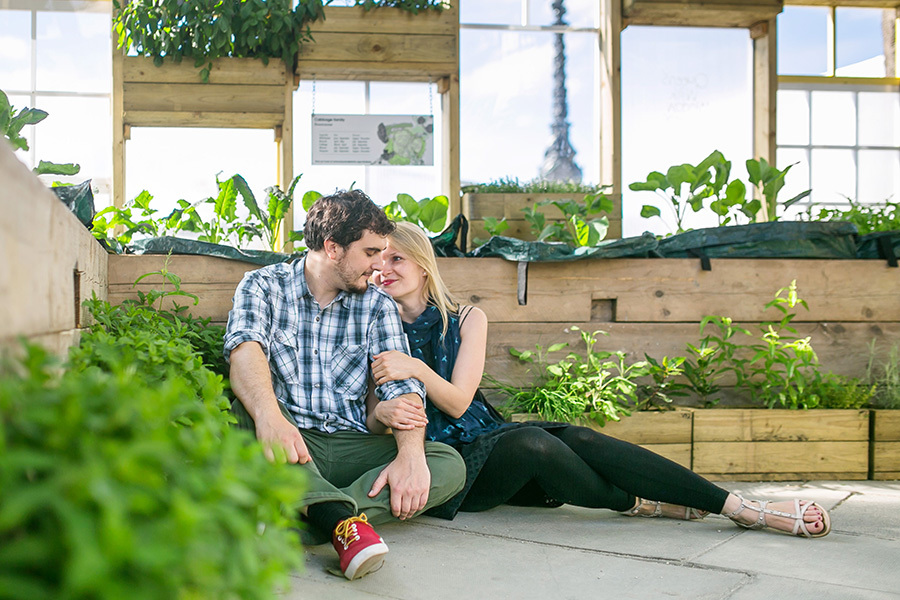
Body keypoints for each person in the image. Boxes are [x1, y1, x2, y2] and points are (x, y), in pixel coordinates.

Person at [369, 221, 832, 539]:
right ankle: (644, 502)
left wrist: (416, 368)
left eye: (396, 259)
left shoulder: (467, 317)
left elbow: (459, 400)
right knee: (536, 443)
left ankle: (738, 508)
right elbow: (407, 414)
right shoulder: (372, 326)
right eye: (376, 262)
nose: (383, 270)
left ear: (423, 263)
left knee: (579, 438)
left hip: (489, 437)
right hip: (447, 463)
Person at [224, 191, 466, 581]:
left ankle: (310, 517)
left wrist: (410, 454)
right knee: (242, 414)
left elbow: (401, 388)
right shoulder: (263, 286)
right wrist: (269, 416)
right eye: (370, 252)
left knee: (446, 464)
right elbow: (245, 353)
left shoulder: (377, 305)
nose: (378, 266)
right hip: (288, 439)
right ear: (333, 247)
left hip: (350, 444)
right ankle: (342, 525)